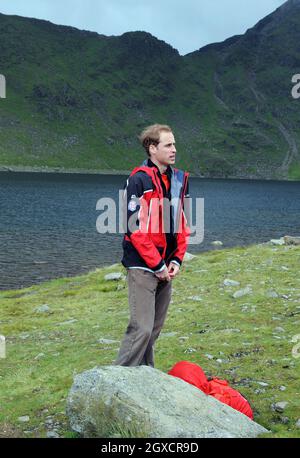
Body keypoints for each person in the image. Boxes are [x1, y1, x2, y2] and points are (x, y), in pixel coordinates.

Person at [114, 124, 190, 367]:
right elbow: (133, 228)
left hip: (166, 268)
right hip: (143, 266)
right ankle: (114, 382)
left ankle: (145, 378)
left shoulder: (178, 180)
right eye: (168, 145)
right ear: (152, 148)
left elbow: (182, 222)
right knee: (141, 330)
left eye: (174, 144)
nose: (174, 149)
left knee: (153, 332)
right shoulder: (138, 180)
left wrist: (176, 260)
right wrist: (156, 264)